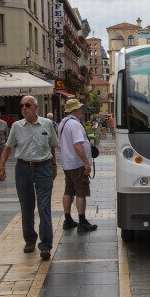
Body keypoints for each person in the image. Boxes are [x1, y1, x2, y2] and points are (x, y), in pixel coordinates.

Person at [0, 96, 58, 260]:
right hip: (23, 167)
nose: (23, 108)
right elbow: (8, 147)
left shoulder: (47, 123)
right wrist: (1, 165)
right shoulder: (17, 127)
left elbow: (52, 145)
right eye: (22, 106)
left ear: (35, 107)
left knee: (44, 206)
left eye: (27, 105)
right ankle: (30, 240)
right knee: (26, 206)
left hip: (44, 167)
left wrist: (54, 165)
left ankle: (45, 245)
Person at [58, 99, 97, 233]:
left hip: (67, 163)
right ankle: (82, 221)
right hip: (77, 164)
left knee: (68, 191)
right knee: (81, 191)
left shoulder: (63, 123)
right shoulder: (74, 124)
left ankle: (67, 219)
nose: (81, 111)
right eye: (80, 109)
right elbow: (77, 144)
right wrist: (86, 162)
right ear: (75, 110)